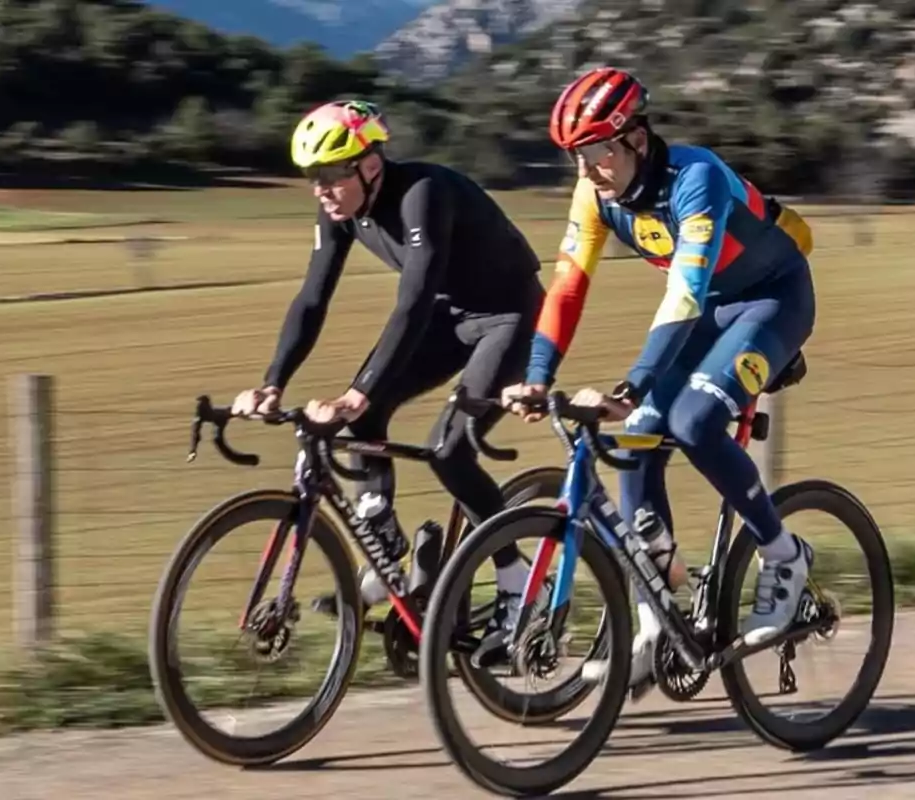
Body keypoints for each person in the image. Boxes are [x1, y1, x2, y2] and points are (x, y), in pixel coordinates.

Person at [502, 67, 818, 696]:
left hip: (772, 301)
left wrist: (632, 384)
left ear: (636, 139)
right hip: (710, 313)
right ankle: (656, 620)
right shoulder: (594, 196)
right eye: (575, 158)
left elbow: (685, 290)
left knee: (693, 420)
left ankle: (784, 555)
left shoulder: (693, 177)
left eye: (597, 153)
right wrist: (537, 375)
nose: (588, 171)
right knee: (638, 437)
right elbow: (567, 284)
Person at [231, 99, 543, 661]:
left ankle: (520, 581)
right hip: (452, 316)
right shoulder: (339, 212)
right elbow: (312, 298)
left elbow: (415, 298)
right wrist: (273, 381)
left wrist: (359, 390)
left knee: (448, 450)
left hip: (511, 316)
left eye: (331, 176)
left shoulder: (423, 193)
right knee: (364, 416)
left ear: (370, 166)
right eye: (312, 179)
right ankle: (384, 546)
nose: (322, 191)